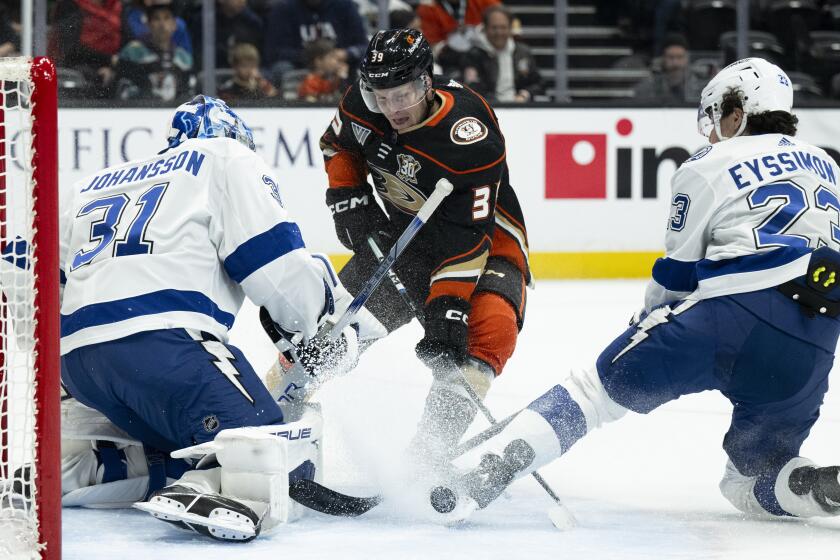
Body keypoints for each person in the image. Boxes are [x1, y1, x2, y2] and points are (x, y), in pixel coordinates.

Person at [431, 58, 840, 522]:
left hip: (731, 315)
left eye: (717, 117)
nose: (711, 133)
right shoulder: (829, 164)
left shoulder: (711, 162)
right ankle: (820, 487)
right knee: (748, 479)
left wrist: (641, 328)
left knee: (593, 391)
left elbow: (677, 276)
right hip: (816, 337)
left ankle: (485, 472)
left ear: (737, 111)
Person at [58, 95, 384, 540]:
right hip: (164, 348)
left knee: (184, 433)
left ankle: (92, 467)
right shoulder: (226, 157)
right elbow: (275, 269)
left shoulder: (92, 184)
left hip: (78, 366)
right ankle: (213, 486)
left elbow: (45, 288)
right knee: (269, 451)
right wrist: (319, 327)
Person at [310, 28, 531, 474]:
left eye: (404, 94)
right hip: (404, 238)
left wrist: (447, 305)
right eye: (382, 97)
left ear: (427, 81)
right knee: (333, 329)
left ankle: (429, 452)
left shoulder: (470, 133)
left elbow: (468, 233)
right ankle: (266, 419)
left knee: (489, 328)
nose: (393, 109)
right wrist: (348, 195)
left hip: (487, 245)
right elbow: (338, 146)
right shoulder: (362, 103)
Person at [262, 0, 368, 84]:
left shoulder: (345, 6)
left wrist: (346, 53)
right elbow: (274, 51)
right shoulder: (283, 8)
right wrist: (312, 58)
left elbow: (363, 46)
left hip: (339, 63)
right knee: (281, 68)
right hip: (299, 65)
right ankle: (287, 104)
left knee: (365, 64)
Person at [113, 1, 194, 101]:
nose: (162, 24)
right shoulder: (132, 52)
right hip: (138, 111)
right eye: (156, 19)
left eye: (167, 18)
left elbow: (188, 93)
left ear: (174, 25)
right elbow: (122, 90)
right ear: (148, 25)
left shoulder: (183, 57)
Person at [462, 5, 543, 103]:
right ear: (485, 28)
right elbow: (472, 87)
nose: (499, 32)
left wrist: (524, 94)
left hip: (520, 108)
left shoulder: (523, 52)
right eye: (494, 28)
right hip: (488, 109)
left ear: (510, 28)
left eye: (503, 27)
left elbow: (538, 83)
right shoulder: (474, 55)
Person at [633, 33, 691, 103]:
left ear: (687, 58)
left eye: (680, 57)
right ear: (663, 58)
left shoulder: (696, 84)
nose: (675, 63)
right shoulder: (650, 84)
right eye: (670, 57)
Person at [297, 38, 349, 102]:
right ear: (318, 61)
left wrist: (343, 78)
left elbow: (345, 100)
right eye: (331, 57)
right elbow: (312, 105)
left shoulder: (334, 79)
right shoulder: (310, 82)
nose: (336, 61)